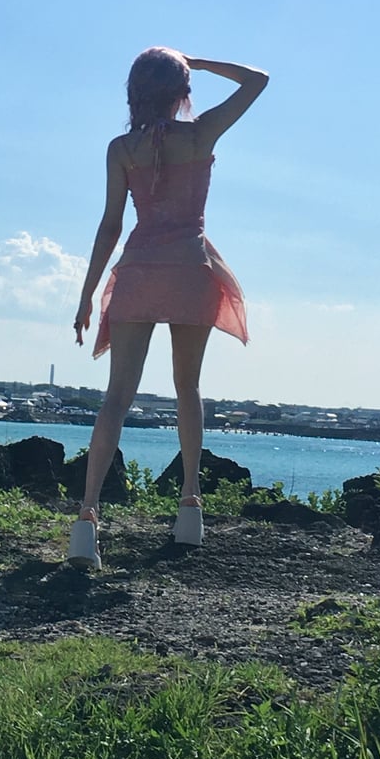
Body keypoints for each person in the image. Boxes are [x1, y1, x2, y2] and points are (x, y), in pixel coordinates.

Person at [68, 48, 268, 569]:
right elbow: (257, 80)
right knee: (187, 387)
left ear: (133, 93)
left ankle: (87, 519)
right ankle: (189, 506)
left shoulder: (121, 149)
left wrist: (87, 293)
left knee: (116, 397)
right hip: (190, 270)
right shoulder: (200, 134)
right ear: (181, 92)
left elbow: (110, 225)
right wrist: (196, 63)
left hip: (138, 271)